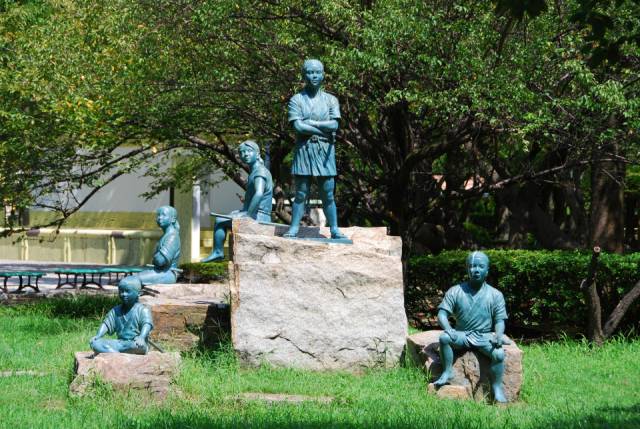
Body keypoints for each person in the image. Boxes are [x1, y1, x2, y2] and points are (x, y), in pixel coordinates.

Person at [433, 251, 509, 403]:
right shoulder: (456, 291)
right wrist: (448, 329)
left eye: (481, 266)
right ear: (467, 269)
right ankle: (448, 372)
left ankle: (496, 387)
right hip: (462, 334)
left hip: (484, 336)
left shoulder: (495, 295)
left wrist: (498, 335)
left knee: (499, 355)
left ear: (487, 270)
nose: (476, 270)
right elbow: (442, 314)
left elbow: (499, 320)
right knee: (445, 338)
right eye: (473, 266)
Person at [283, 59, 346, 239]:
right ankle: (293, 228)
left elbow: (334, 125)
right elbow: (298, 127)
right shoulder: (296, 100)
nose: (314, 76)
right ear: (303, 75)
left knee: (328, 194)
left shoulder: (331, 100)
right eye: (310, 72)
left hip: (325, 151)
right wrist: (322, 130)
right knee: (301, 193)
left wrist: (311, 122)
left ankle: (334, 229)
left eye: (318, 72)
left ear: (323, 74)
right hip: (304, 149)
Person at [201, 140, 273, 262]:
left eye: (249, 151)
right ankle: (218, 251)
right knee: (226, 217)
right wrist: (242, 211)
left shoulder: (260, 172)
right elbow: (251, 198)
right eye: (242, 152)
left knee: (219, 221)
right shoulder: (254, 172)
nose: (246, 154)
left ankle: (218, 251)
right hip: (255, 214)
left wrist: (247, 214)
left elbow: (259, 193)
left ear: (258, 154)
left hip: (260, 216)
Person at [119, 206, 181, 289]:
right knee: (132, 279)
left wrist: (155, 256)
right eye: (158, 215)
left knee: (131, 281)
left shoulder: (172, 237)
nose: (160, 218)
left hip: (167, 273)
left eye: (164, 215)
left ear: (173, 219)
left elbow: (160, 261)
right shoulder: (166, 236)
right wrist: (157, 256)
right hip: (161, 271)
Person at [89, 280, 153, 354]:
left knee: (136, 346)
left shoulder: (143, 310)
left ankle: (111, 352)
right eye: (121, 291)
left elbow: (147, 324)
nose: (124, 294)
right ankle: (117, 354)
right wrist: (98, 335)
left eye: (128, 291)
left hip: (134, 343)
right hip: (118, 343)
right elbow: (106, 324)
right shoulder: (116, 310)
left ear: (138, 293)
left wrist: (141, 337)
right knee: (96, 343)